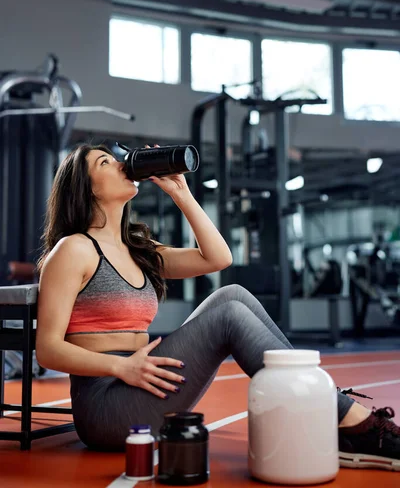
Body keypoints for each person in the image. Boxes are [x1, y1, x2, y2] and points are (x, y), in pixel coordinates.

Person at [36, 144, 400, 470]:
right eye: (105, 162)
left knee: (233, 296)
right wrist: (122, 366)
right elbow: (47, 350)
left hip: (143, 380)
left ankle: (330, 411)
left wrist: (182, 194)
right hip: (107, 407)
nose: (121, 163)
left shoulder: (138, 250)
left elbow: (218, 257)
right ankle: (353, 424)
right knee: (228, 316)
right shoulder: (74, 249)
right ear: (87, 188)